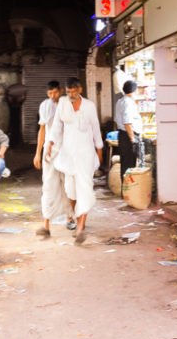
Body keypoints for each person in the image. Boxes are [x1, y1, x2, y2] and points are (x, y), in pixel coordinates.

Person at [46, 78, 103, 245]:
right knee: (71, 190)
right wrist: (50, 142)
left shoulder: (89, 106)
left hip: (85, 153)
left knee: (84, 188)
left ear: (80, 90)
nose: (71, 94)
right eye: (68, 91)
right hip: (68, 153)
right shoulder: (62, 104)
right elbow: (56, 126)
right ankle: (79, 217)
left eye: (73, 91)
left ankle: (81, 226)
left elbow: (95, 128)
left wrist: (99, 150)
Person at [33, 80, 74, 237]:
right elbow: (42, 130)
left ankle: (70, 218)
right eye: (49, 93)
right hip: (49, 152)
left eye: (55, 93)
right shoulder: (45, 105)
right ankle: (46, 224)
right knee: (49, 185)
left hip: (67, 150)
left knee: (68, 185)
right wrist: (38, 152)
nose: (52, 96)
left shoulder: (69, 104)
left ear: (61, 90)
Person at [115, 79, 143, 187]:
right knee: (130, 165)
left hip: (122, 135)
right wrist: (133, 139)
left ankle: (126, 190)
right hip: (128, 136)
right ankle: (130, 191)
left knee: (125, 164)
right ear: (134, 91)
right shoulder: (128, 103)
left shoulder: (120, 101)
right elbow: (127, 123)